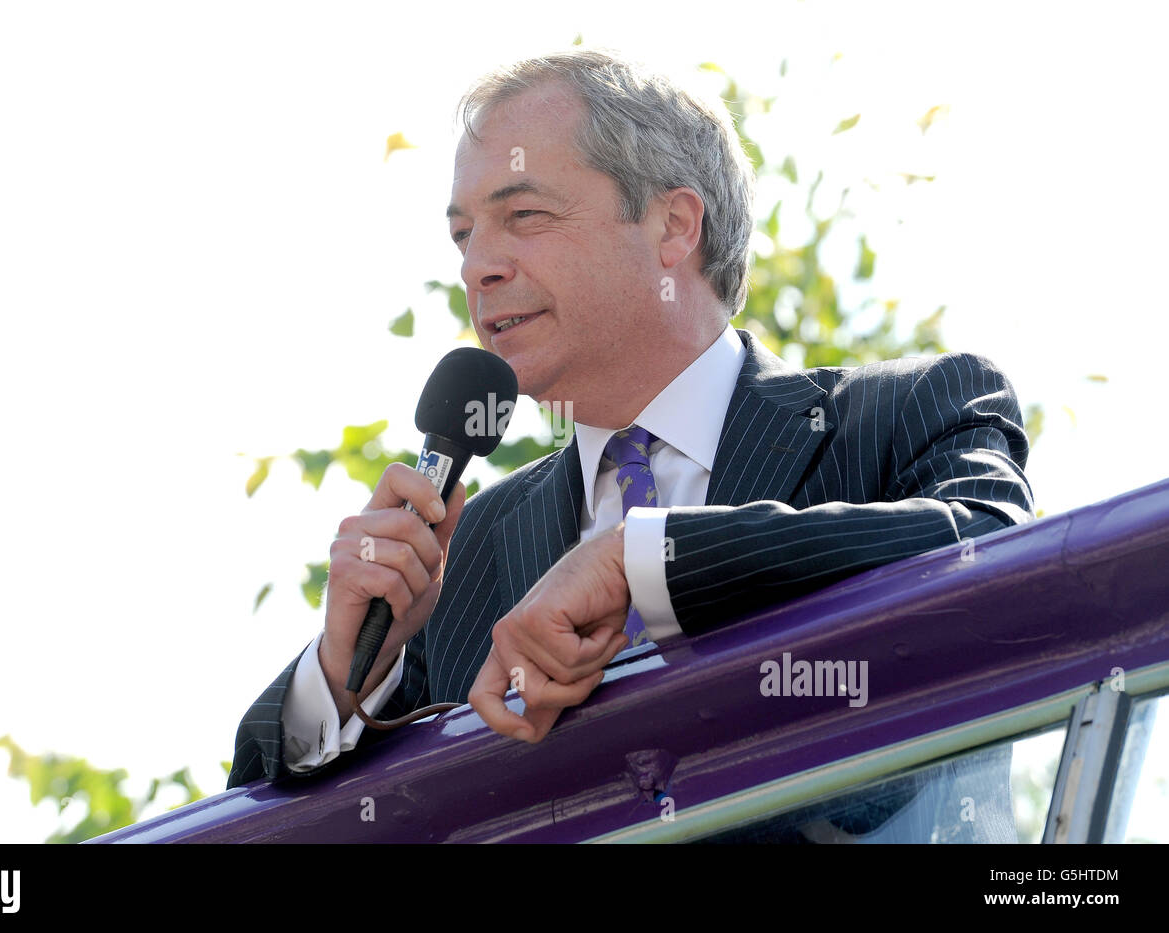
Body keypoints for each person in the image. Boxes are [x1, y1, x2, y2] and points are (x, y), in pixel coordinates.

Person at [228, 50, 1033, 841]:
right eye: (463, 235)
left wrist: (639, 560)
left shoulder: (911, 410)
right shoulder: (466, 552)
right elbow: (255, 819)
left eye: (524, 216)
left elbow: (999, 561)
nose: (477, 267)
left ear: (673, 227)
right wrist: (343, 669)